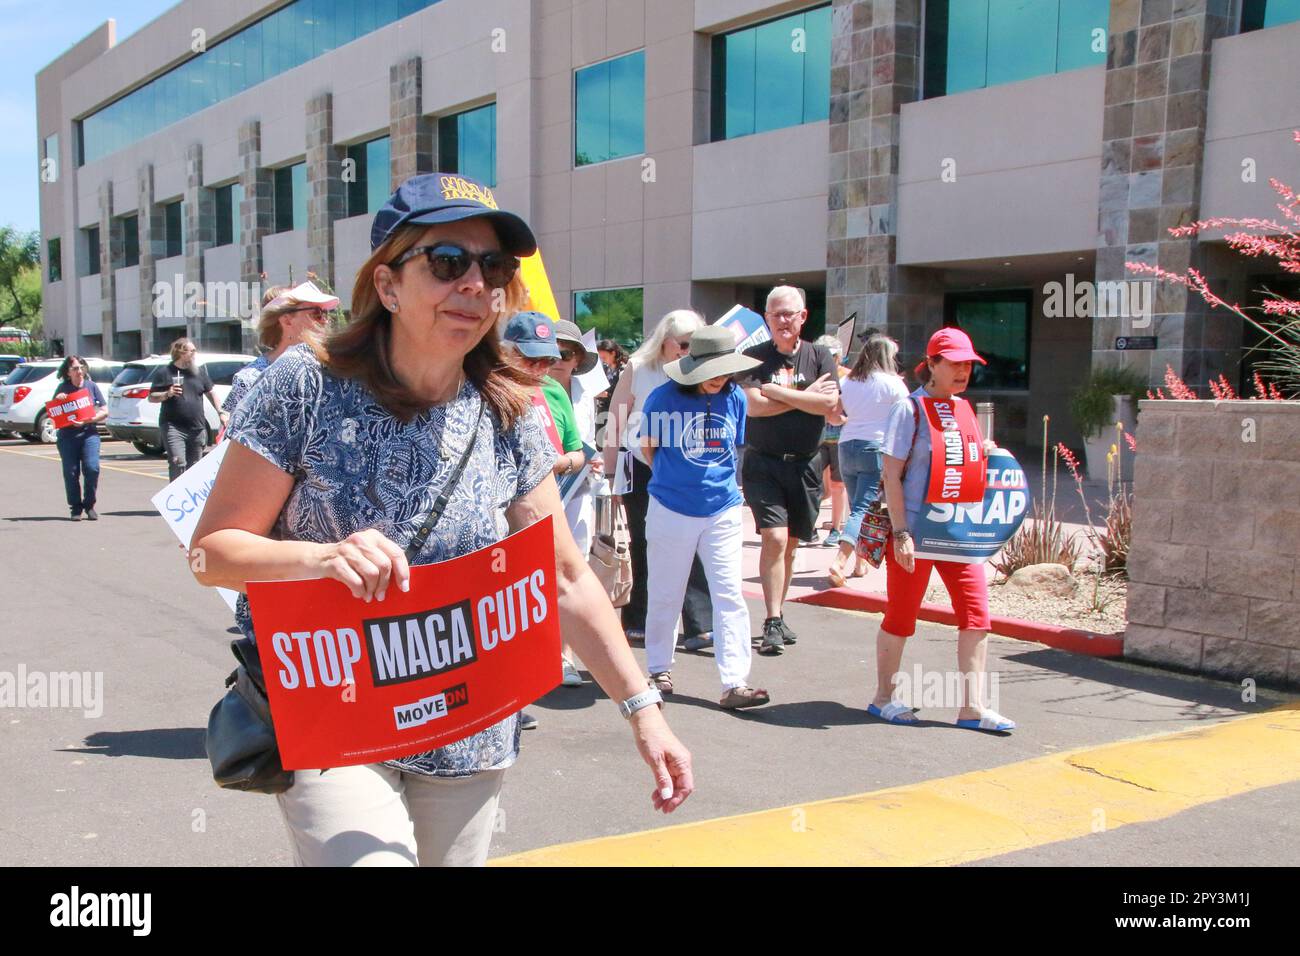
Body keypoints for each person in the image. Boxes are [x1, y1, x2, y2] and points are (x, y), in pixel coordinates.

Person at [192, 172, 693, 867]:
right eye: (448, 262)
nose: (475, 285)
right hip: (334, 713)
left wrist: (644, 713)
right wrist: (321, 558)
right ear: (389, 284)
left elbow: (565, 577)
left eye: (494, 267)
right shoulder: (304, 385)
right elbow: (212, 553)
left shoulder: (511, 407)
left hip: (468, 725)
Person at [873, 327, 1012, 732]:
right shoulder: (909, 409)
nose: (963, 370)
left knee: (977, 617)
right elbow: (891, 475)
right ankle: (883, 698)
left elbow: (970, 462)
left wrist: (988, 453)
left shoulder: (966, 409)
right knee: (901, 616)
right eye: (954, 362)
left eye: (968, 363)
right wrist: (901, 534)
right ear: (931, 364)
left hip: (958, 533)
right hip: (916, 530)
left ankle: (972, 708)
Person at [640, 326, 769, 710]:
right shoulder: (662, 399)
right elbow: (650, 450)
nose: (720, 379)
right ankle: (659, 669)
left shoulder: (735, 398)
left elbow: (735, 447)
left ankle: (735, 682)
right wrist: (679, 482)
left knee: (729, 594)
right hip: (670, 507)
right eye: (712, 371)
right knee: (666, 592)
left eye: (725, 371)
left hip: (724, 508)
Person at [602, 310, 714, 651]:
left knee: (691, 539)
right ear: (666, 342)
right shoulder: (638, 368)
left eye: (694, 344)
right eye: (684, 343)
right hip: (642, 465)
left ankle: (699, 622)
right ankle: (638, 619)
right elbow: (616, 421)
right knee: (643, 541)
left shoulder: (700, 370)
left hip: (686, 466)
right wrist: (610, 474)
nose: (688, 349)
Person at [738, 286, 840, 656]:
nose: (783, 320)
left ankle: (778, 615)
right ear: (767, 318)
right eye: (776, 314)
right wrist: (804, 398)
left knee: (792, 545)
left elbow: (829, 403)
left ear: (803, 317)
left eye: (789, 314)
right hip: (764, 463)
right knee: (775, 539)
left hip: (806, 465)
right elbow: (753, 407)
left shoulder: (820, 355)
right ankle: (770, 619)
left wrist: (778, 394)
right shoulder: (752, 357)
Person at [501, 312, 592, 692]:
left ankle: (562, 658)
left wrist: (558, 463)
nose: (539, 368)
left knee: (562, 579)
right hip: (504, 509)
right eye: (530, 358)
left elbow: (577, 451)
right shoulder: (489, 388)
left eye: (547, 359)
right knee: (510, 595)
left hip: (554, 498)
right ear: (506, 351)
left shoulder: (554, 392)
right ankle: (513, 683)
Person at [827, 334, 909, 587]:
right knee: (863, 509)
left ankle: (859, 563)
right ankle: (840, 561)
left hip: (847, 445)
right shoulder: (893, 384)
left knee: (856, 508)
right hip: (875, 448)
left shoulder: (848, 380)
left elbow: (833, 417)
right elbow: (906, 418)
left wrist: (848, 421)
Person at [222, 281, 339, 414]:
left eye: (325, 313)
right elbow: (235, 432)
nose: (325, 320)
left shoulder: (331, 371)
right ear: (287, 320)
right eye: (317, 313)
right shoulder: (250, 378)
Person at [150, 337, 226, 481]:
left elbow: (211, 392)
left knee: (195, 467)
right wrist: (168, 393)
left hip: (197, 428)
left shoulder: (198, 372)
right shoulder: (165, 372)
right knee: (178, 463)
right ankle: (175, 500)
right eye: (192, 351)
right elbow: (152, 397)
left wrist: (220, 412)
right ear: (181, 352)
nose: (195, 354)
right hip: (173, 427)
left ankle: (190, 502)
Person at [51, 356, 107, 521]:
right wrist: (57, 401)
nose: (79, 371)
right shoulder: (62, 388)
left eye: (81, 367)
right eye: (75, 368)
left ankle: (89, 505)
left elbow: (104, 410)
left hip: (89, 434)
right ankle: (76, 508)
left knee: (92, 468)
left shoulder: (92, 386)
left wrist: (87, 420)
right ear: (68, 373)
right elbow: (53, 414)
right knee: (71, 472)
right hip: (67, 437)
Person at [812, 334, 849, 548]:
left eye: (832, 355)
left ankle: (836, 529)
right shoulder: (813, 376)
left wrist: (846, 419)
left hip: (840, 439)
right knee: (812, 485)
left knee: (837, 486)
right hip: (815, 437)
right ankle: (809, 526)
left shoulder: (848, 377)